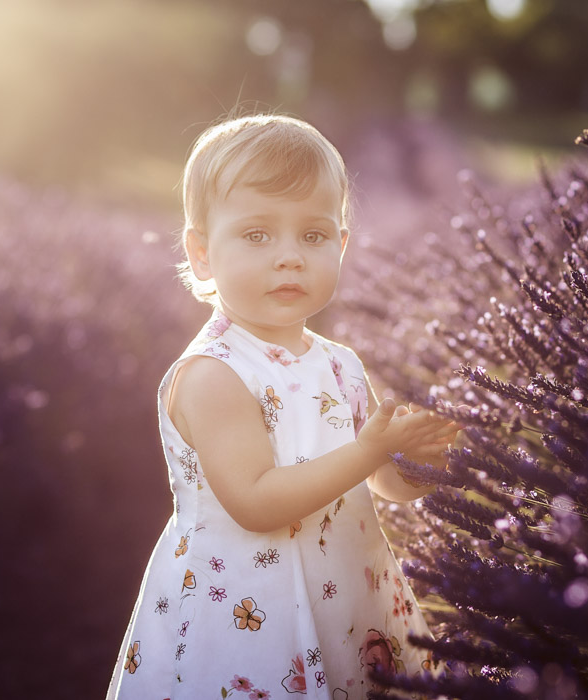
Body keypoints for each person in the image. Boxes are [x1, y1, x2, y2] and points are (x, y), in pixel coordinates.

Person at [106, 114, 457, 700]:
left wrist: (417, 461)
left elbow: (382, 484)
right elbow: (256, 502)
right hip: (248, 610)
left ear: (341, 246)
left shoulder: (341, 363)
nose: (289, 256)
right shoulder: (213, 375)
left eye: (314, 236)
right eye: (257, 235)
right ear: (202, 254)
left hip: (345, 596)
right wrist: (371, 446)